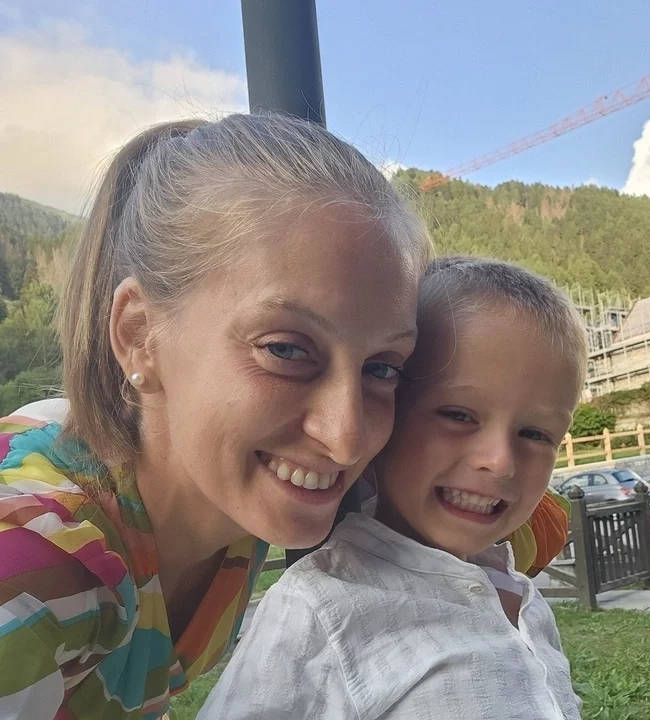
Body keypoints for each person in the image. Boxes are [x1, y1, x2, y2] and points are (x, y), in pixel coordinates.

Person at [0, 113, 431, 719]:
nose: (346, 438)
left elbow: (483, 503)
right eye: (286, 350)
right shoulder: (30, 576)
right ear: (139, 335)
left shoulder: (235, 485)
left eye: (382, 366)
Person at [199, 257, 587, 720]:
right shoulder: (319, 609)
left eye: (536, 434)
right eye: (458, 415)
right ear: (382, 415)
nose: (500, 461)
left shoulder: (527, 601)